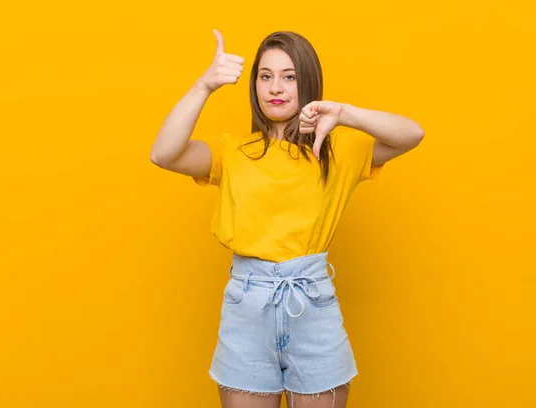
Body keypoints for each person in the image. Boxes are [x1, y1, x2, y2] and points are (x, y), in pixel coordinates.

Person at [150, 29, 424, 408]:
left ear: (307, 82)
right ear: (254, 85)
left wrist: (342, 113)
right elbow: (163, 154)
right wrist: (204, 86)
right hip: (247, 306)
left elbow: (412, 134)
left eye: (289, 76)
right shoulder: (232, 152)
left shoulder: (338, 150)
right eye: (265, 76)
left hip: (312, 304)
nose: (275, 87)